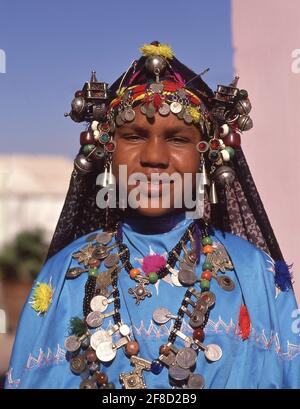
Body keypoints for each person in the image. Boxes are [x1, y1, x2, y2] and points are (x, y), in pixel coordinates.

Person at [5, 42, 300, 389]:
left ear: (204, 156)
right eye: (133, 136)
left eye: (177, 139)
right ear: (107, 152)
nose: (155, 157)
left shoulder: (256, 275)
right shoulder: (63, 279)